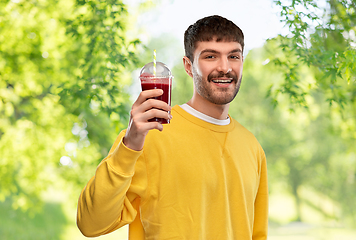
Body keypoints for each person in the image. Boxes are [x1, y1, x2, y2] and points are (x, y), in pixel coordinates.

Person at [77, 15, 268, 240]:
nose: (224, 68)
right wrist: (129, 144)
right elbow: (91, 224)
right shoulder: (148, 135)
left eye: (233, 56)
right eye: (210, 56)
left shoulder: (252, 147)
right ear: (189, 66)